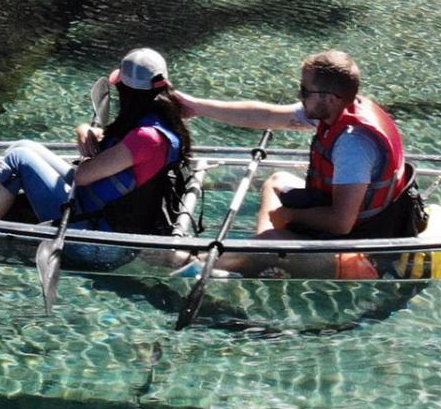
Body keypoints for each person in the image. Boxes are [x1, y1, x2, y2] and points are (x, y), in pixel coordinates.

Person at [0, 48, 194, 267]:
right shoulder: (165, 122)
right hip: (107, 230)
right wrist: (84, 130)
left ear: (126, 91)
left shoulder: (146, 138)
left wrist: (94, 152)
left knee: (18, 157)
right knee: (23, 145)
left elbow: (83, 176)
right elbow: (122, 152)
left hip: (99, 245)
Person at [174, 49, 421, 277]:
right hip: (352, 219)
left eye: (304, 91)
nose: (299, 96)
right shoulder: (336, 109)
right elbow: (267, 115)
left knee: (272, 239)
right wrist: (197, 107)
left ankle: (201, 262)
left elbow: (341, 223)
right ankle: (261, 257)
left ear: (331, 99)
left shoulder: (352, 145)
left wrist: (290, 214)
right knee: (278, 182)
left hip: (360, 249)